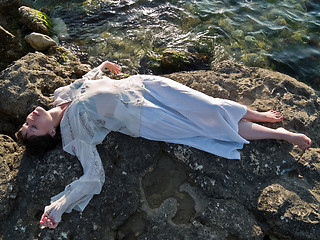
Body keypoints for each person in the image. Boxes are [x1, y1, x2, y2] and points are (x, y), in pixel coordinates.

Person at [15, 60, 311, 229]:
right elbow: (92, 176)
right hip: (146, 118)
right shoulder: (74, 134)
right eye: (32, 128)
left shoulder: (59, 94)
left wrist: (102, 66)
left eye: (26, 122)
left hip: (145, 85)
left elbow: (86, 81)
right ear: (48, 136)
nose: (30, 118)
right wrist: (57, 208)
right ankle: (282, 135)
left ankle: (257, 114)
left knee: (208, 106)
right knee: (208, 127)